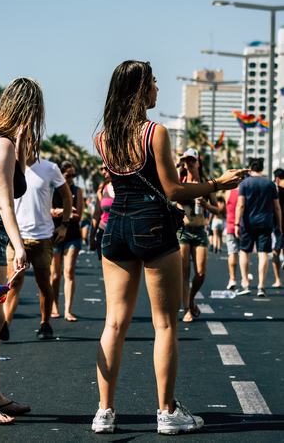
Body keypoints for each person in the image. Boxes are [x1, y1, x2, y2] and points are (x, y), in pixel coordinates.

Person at [91, 60, 248, 435]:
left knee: (114, 322)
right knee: (165, 324)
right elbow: (173, 190)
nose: (158, 89)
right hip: (153, 226)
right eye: (154, 83)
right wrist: (217, 184)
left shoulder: (103, 138)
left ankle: (104, 412)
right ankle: (167, 413)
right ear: (141, 89)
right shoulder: (154, 132)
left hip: (116, 227)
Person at [0, 77, 44, 423]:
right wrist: (19, 246)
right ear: (30, 111)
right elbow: (6, 204)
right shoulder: (2, 145)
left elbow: (11, 188)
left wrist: (20, 149)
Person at [1, 153, 73, 341]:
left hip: (42, 238)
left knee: (43, 283)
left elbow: (67, 196)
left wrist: (64, 225)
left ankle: (45, 324)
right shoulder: (10, 166)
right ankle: (5, 325)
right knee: (13, 282)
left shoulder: (49, 168)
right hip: (16, 237)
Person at [176, 148, 219, 323]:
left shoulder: (206, 183)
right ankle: (186, 309)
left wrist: (206, 206)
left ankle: (191, 298)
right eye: (186, 160)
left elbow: (218, 209)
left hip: (200, 231)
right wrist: (177, 163)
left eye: (192, 160)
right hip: (184, 232)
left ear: (198, 162)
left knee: (200, 272)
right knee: (184, 272)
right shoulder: (178, 182)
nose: (189, 163)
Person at [235, 158, 281, 296]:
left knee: (244, 251)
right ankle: (261, 286)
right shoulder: (270, 184)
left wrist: (237, 223)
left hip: (248, 223)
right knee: (263, 253)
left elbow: (240, 205)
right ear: (262, 168)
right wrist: (279, 225)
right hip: (266, 222)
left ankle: (245, 283)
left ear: (250, 168)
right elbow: (277, 207)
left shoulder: (245, 183)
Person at [50, 161, 84, 321]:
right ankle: (54, 306)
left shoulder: (78, 191)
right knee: (55, 275)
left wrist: (60, 212)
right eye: (67, 175)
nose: (71, 178)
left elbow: (78, 217)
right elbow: (48, 212)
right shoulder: (52, 190)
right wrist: (67, 210)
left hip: (73, 236)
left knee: (69, 272)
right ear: (61, 175)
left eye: (73, 175)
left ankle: (67, 310)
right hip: (54, 235)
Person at [89, 165, 114, 260]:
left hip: (120, 233)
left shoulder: (125, 188)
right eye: (102, 169)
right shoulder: (102, 188)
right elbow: (97, 214)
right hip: (103, 232)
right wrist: (92, 237)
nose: (103, 172)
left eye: (106, 169)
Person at [271, 168, 284, 287]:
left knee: (276, 252)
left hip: (278, 225)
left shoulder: (276, 190)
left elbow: (276, 208)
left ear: (277, 179)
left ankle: (278, 280)